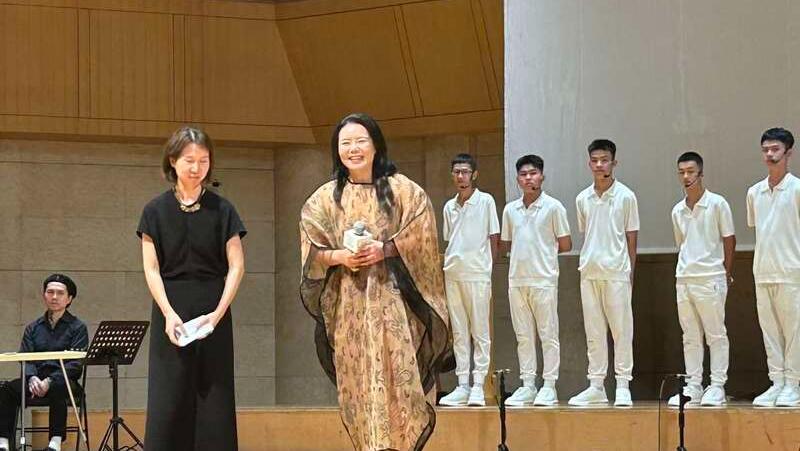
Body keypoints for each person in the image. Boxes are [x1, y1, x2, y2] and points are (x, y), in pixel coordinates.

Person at [300, 112, 452, 450]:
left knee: (400, 382)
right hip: (350, 307)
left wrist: (385, 249)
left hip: (392, 303)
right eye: (346, 143)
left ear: (375, 145)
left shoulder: (402, 190)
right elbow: (312, 249)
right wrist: (341, 256)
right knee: (357, 384)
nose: (353, 149)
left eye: (360, 141)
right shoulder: (325, 197)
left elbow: (423, 235)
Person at [138, 126, 246, 450]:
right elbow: (151, 268)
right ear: (173, 161)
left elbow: (237, 266)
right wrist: (168, 314)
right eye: (189, 160)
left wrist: (217, 314)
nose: (197, 167)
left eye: (203, 160)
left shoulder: (223, 209)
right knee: (168, 397)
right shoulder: (154, 210)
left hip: (214, 309)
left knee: (215, 396)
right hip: (170, 310)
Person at [569, 139, 639, 407]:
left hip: (617, 273)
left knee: (622, 331)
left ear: (614, 162)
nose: (600, 165)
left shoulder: (626, 196)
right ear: (589, 164)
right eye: (595, 160)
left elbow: (632, 239)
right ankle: (596, 386)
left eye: (605, 160)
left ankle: (623, 385)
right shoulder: (582, 199)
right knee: (594, 332)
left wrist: (630, 274)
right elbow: (587, 234)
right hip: (589, 273)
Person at [501, 155, 571, 407]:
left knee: (548, 334)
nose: (528, 178)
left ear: (542, 176)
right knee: (523, 336)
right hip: (517, 281)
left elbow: (565, 244)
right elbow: (506, 243)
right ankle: (528, 384)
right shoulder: (510, 210)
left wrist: (543, 256)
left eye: (533, 173)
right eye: (523, 174)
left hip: (543, 280)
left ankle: (549, 385)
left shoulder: (553, 207)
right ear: (517, 179)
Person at [667, 151, 735, 407]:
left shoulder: (717, 204)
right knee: (690, 336)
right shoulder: (677, 211)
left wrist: (725, 272)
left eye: (691, 172)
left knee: (715, 334)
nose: (686, 177)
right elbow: (681, 243)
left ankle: (717, 385)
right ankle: (693, 385)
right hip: (684, 278)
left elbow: (729, 239)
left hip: (711, 278)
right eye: (682, 172)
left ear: (701, 173)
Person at [0, 274, 88, 451]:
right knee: (7, 389)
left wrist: (50, 381)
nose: (54, 297)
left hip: (63, 380)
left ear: (69, 298)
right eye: (50, 292)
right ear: (44, 295)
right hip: (35, 380)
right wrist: (32, 378)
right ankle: (3, 442)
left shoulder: (78, 327)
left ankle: (55, 442)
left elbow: (76, 364)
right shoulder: (33, 328)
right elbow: (25, 357)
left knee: (58, 386)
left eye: (60, 293)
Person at [438, 153, 499, 407]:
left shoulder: (485, 201)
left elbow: (494, 237)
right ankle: (462, 384)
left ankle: (478, 385)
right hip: (453, 274)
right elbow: (450, 239)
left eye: (465, 172)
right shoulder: (449, 207)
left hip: (478, 275)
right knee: (459, 332)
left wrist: (487, 269)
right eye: (457, 172)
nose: (460, 177)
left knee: (480, 332)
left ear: (474, 174)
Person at [748, 127, 800, 407]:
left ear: (788, 152)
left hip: (791, 272)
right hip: (763, 272)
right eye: (765, 149)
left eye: (775, 149)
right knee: (769, 332)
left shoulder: (797, 189)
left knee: (794, 332)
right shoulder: (754, 193)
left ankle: (793, 384)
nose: (770, 154)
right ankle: (777, 382)